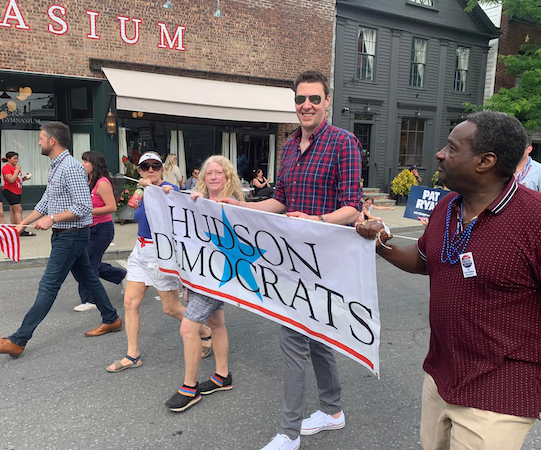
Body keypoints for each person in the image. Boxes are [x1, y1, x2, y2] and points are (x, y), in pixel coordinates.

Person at [357, 111, 541, 450]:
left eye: (452, 148)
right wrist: (380, 242)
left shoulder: (534, 219)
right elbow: (426, 260)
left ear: (485, 161)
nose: (440, 153)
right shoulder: (447, 208)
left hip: (499, 390)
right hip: (441, 375)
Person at [220, 70, 362, 450]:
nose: (307, 105)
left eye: (315, 99)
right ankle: (333, 411)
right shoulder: (288, 146)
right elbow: (281, 200)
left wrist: (316, 220)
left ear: (327, 101)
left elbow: (352, 206)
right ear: (294, 103)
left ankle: (289, 433)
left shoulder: (343, 143)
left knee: (294, 340)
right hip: (290, 258)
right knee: (316, 339)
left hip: (325, 258)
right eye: (301, 99)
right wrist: (242, 205)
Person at [0, 122, 121, 357]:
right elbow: (45, 202)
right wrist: (23, 224)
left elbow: (84, 206)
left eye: (41, 138)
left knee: (48, 287)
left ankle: (18, 340)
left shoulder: (71, 168)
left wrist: (52, 219)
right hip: (66, 234)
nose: (39, 142)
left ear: (52, 141)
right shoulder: (56, 167)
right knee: (88, 277)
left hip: (71, 235)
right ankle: (111, 318)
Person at [106, 152, 212, 373]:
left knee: (171, 308)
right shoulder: (142, 190)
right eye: (146, 166)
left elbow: (178, 200)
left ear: (162, 169)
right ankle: (132, 355)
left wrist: (166, 193)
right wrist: (144, 189)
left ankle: (205, 331)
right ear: (140, 170)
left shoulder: (167, 189)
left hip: (160, 252)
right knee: (130, 303)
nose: (151, 170)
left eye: (156, 166)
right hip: (140, 250)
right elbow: (136, 212)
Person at [164, 155, 244, 412]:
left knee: (188, 329)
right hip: (197, 274)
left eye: (218, 173)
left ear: (228, 176)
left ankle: (189, 388)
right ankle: (223, 376)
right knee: (217, 323)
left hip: (216, 276)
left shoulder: (236, 205)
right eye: (208, 173)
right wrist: (170, 193)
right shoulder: (197, 200)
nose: (212, 177)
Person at [74, 151, 127, 312]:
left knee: (88, 265)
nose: (82, 164)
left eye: (85, 161)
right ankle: (121, 275)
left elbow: (112, 207)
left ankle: (89, 300)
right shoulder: (88, 181)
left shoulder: (103, 183)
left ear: (94, 164)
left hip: (101, 229)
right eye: (82, 161)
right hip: (88, 228)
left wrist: (89, 211)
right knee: (85, 263)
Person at [1, 151, 34, 236]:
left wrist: (24, 179)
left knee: (13, 210)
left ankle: (15, 228)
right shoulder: (6, 168)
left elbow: (16, 179)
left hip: (17, 190)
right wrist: (17, 170)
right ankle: (21, 230)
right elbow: (11, 180)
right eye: (14, 158)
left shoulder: (15, 167)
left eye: (17, 158)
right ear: (8, 159)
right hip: (10, 190)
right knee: (18, 210)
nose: (16, 160)